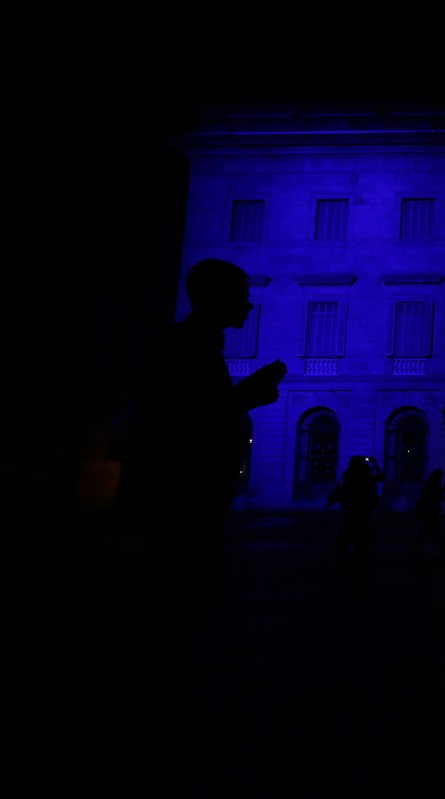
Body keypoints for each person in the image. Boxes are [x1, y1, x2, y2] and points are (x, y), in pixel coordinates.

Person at [98, 258, 286, 773]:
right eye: (241, 293)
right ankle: (128, 707)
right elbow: (181, 423)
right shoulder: (183, 344)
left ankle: (134, 703)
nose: (249, 302)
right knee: (174, 601)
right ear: (212, 298)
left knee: (175, 601)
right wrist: (245, 397)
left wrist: (240, 398)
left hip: (184, 497)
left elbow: (195, 415)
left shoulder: (198, 344)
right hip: (178, 497)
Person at [327, 455, 383, 565]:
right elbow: (380, 477)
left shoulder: (349, 474)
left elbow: (344, 489)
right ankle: (360, 554)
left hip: (350, 506)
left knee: (347, 531)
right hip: (364, 507)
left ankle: (344, 554)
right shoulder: (367, 474)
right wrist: (374, 463)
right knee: (362, 531)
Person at [412, 468, 445, 557]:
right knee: (435, 530)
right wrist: (443, 492)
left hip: (429, 510)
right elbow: (434, 496)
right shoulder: (433, 485)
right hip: (431, 510)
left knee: (428, 530)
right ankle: (444, 548)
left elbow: (432, 495)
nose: (441, 478)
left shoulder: (430, 484)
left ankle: (416, 546)